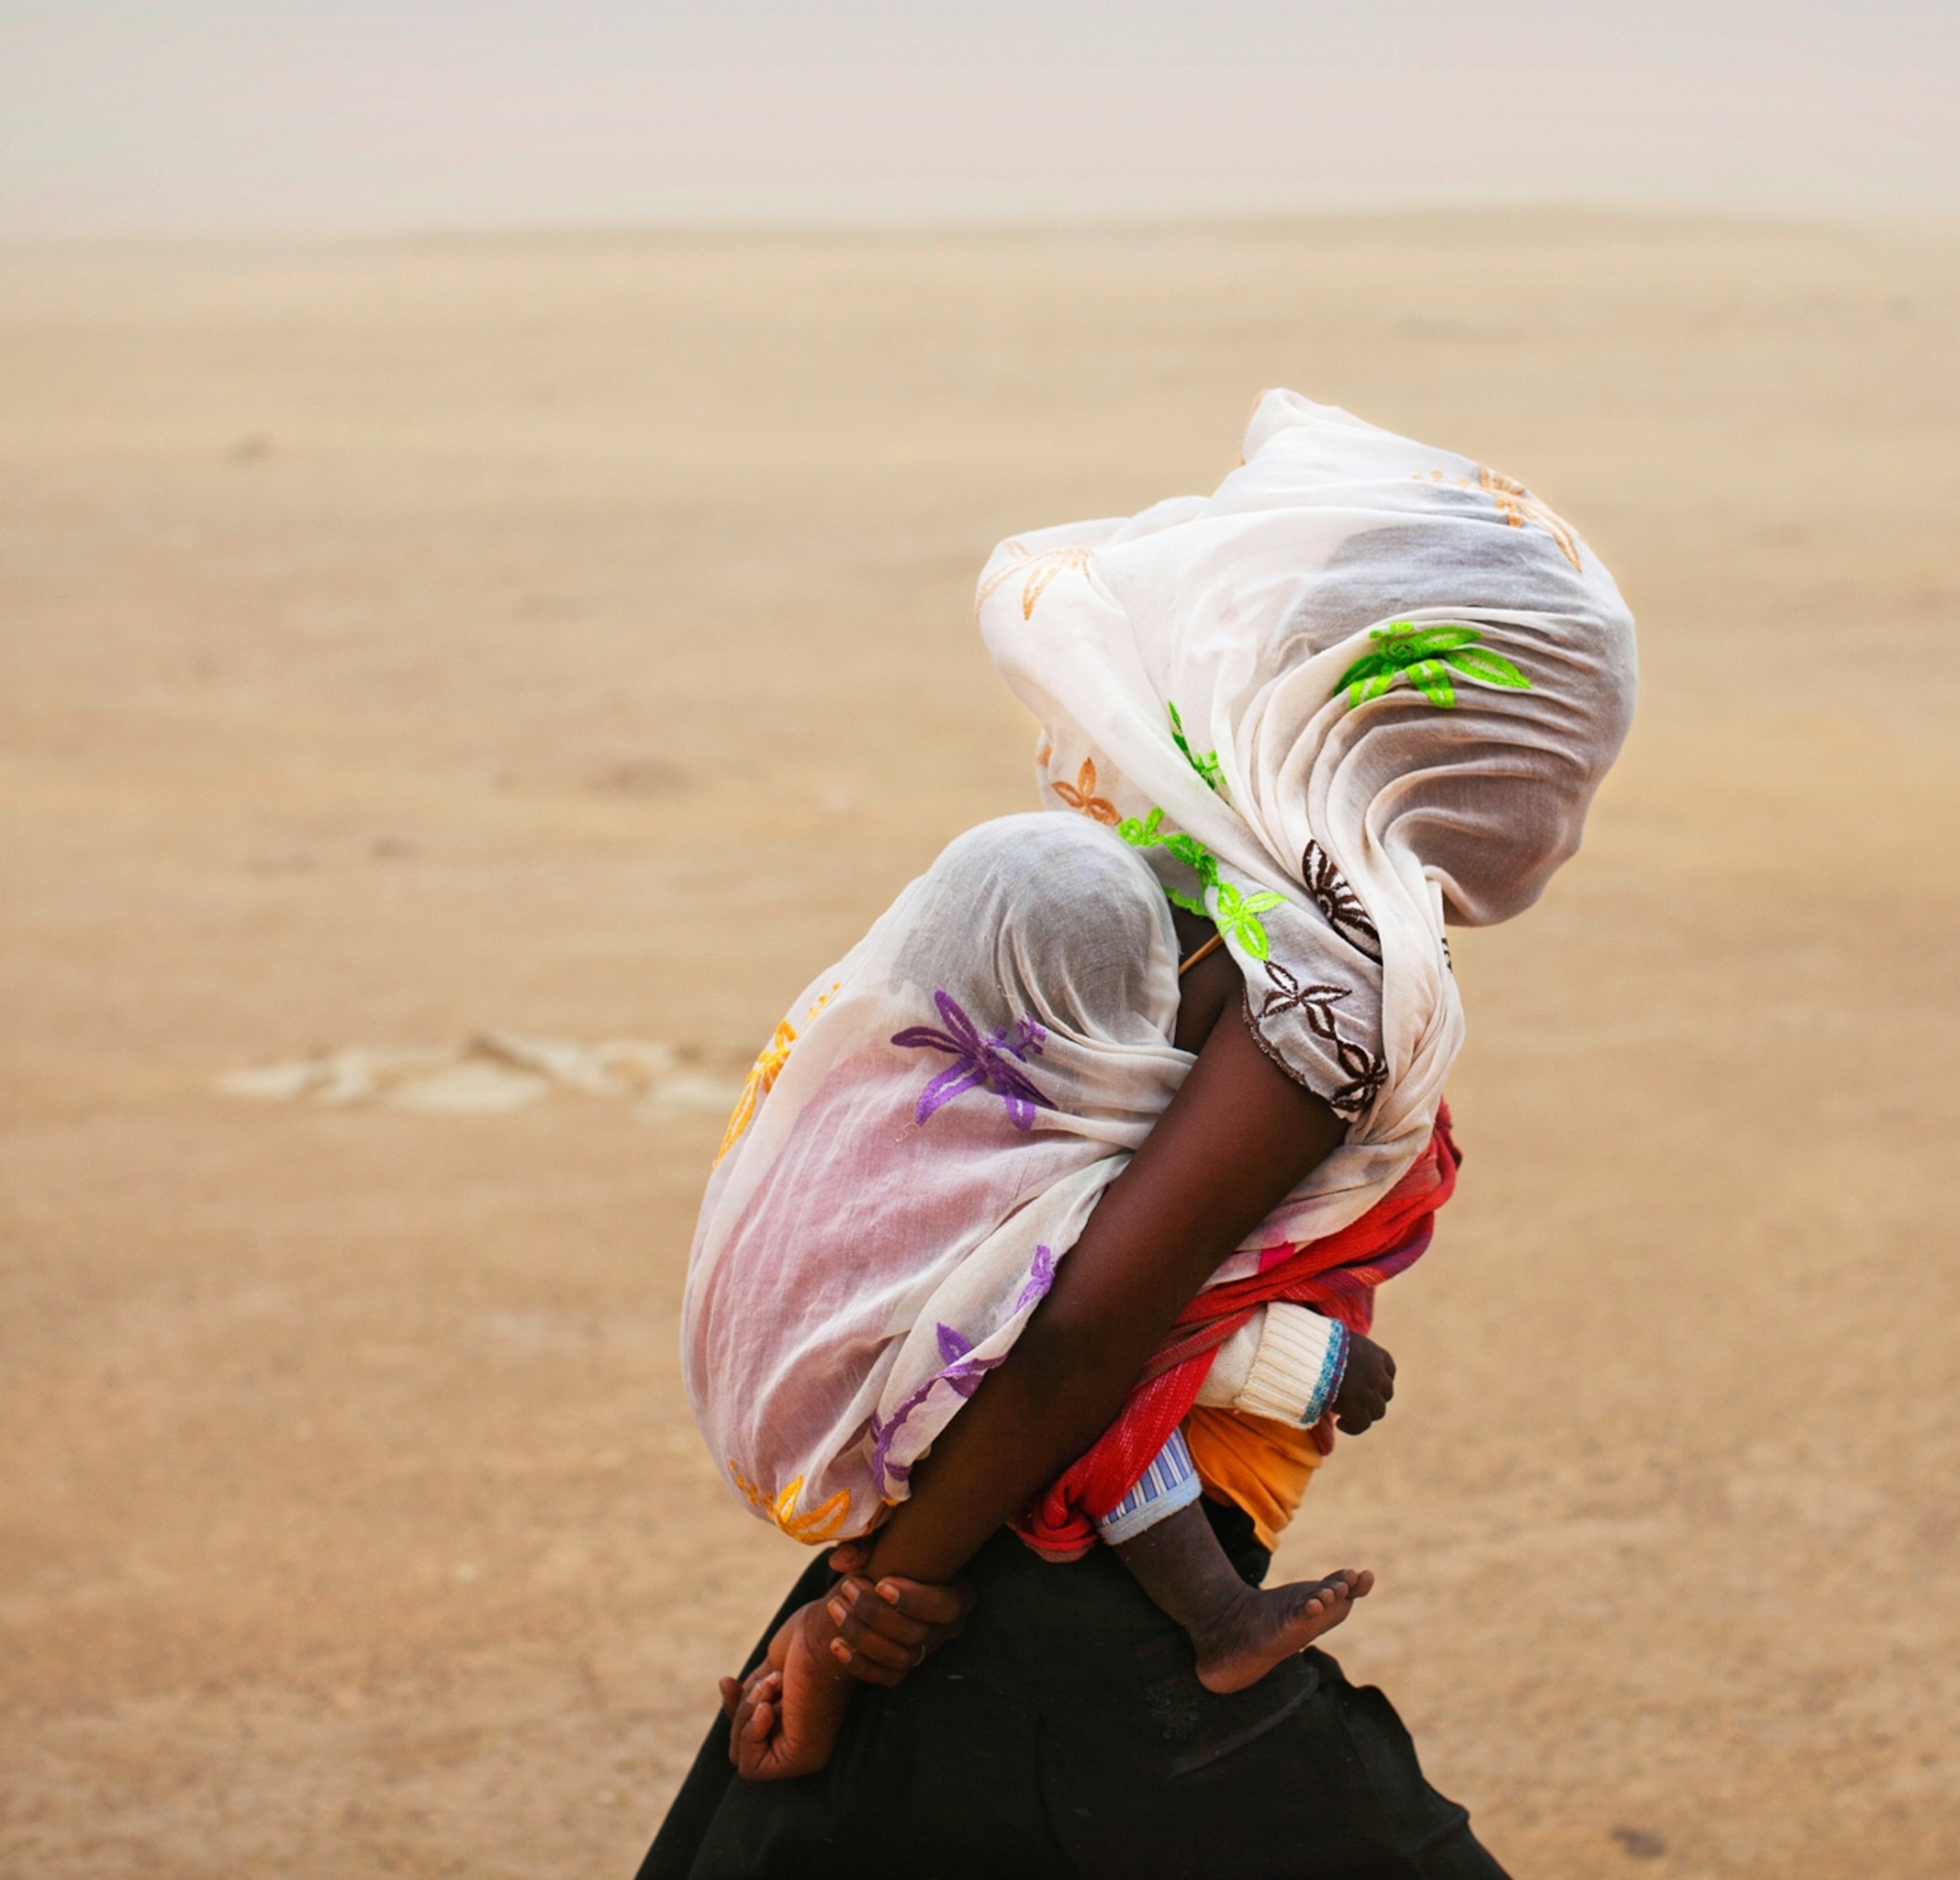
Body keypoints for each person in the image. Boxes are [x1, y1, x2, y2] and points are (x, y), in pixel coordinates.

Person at [644, 391, 1636, 1879]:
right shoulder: (1326, 971)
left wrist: (849, 1614)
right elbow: (1082, 1328)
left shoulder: (1194, 875)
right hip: (1068, 1632)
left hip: (964, 1561)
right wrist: (850, 1642)